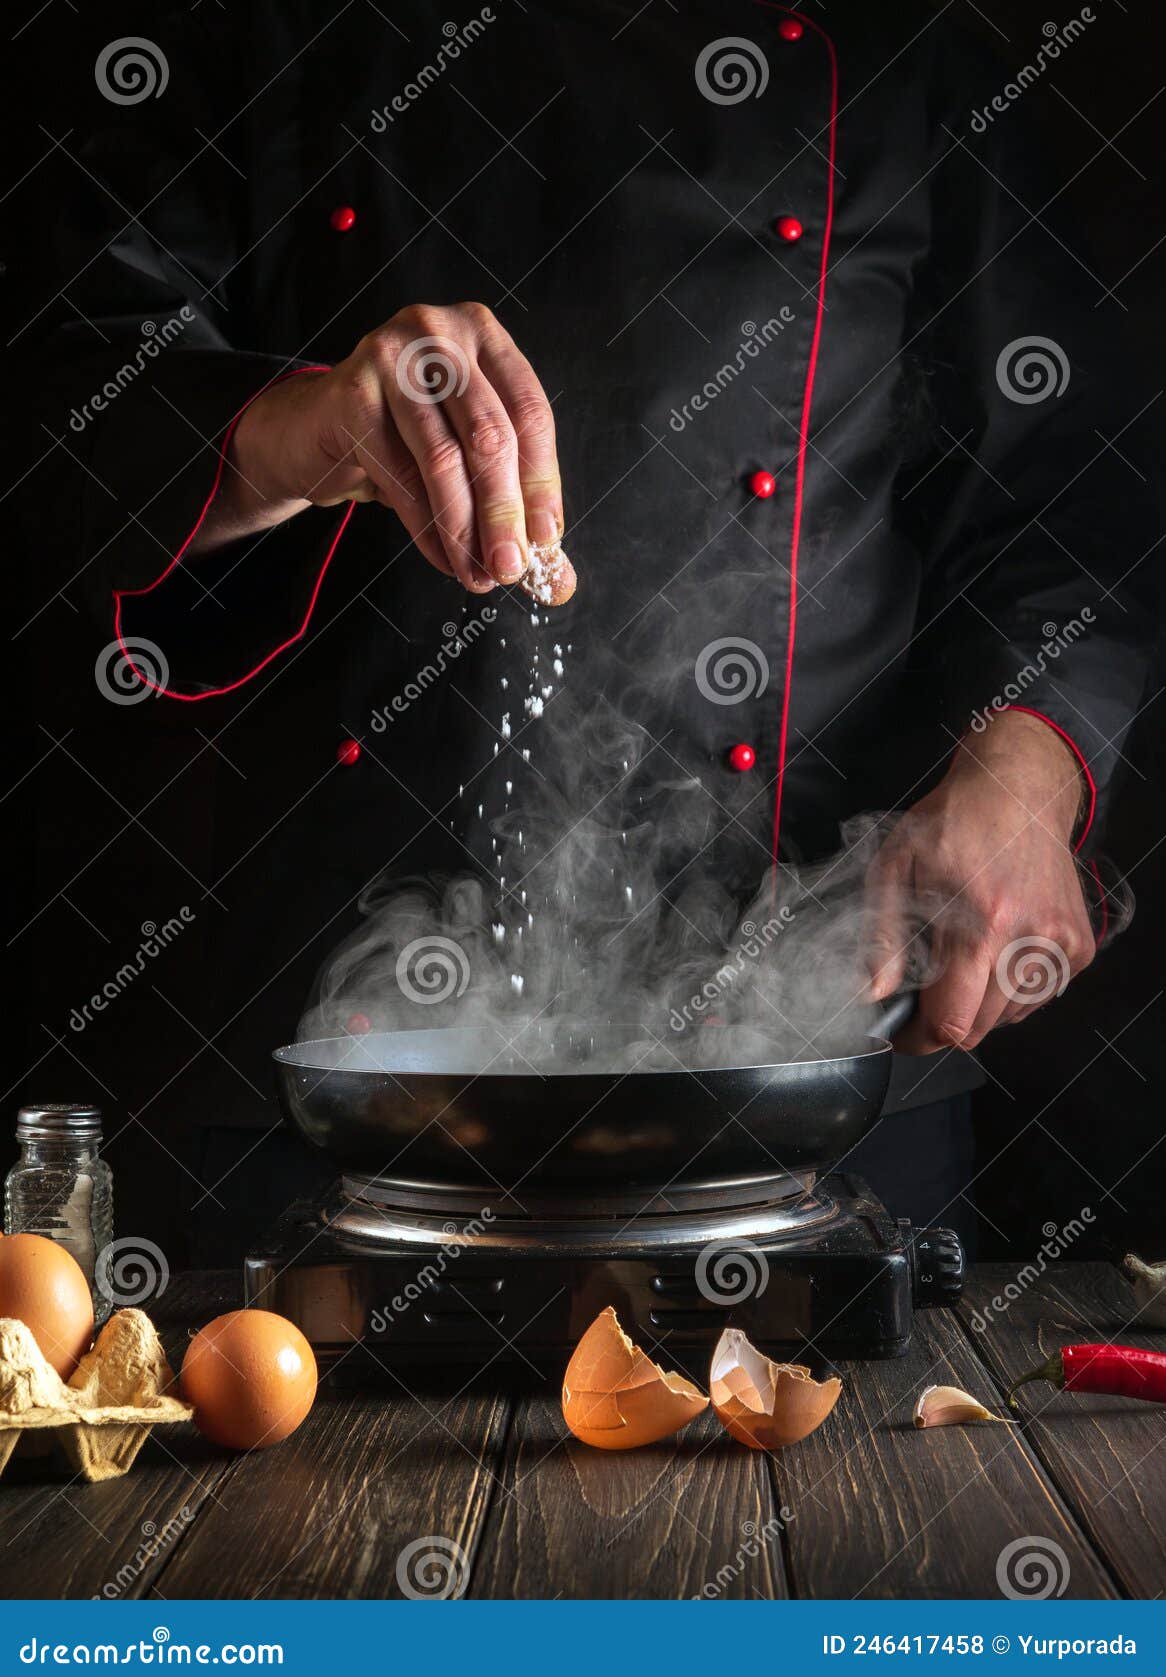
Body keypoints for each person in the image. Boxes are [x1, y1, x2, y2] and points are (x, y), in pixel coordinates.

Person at [15, 1, 1154, 1257]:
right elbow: (55, 412)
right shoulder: (247, 30)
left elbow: (1071, 503)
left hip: (820, 1069)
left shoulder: (904, 50)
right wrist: (291, 429)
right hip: (321, 1077)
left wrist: (1022, 778)